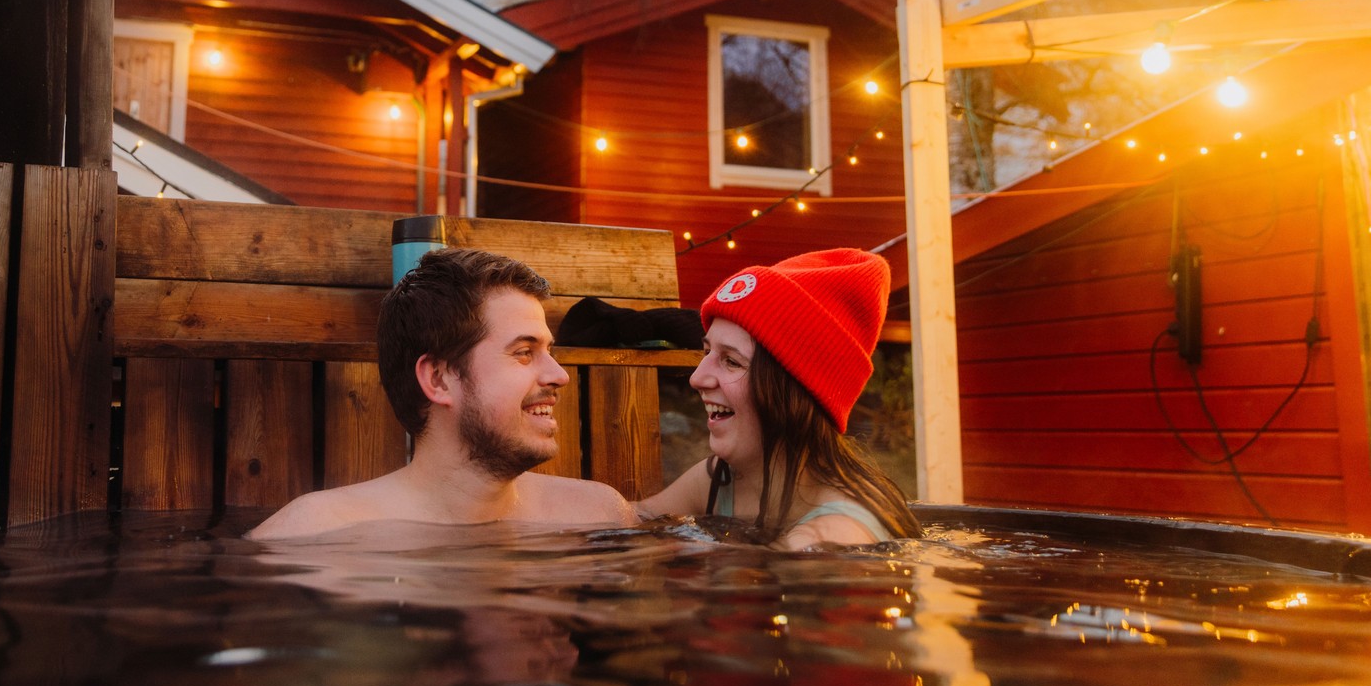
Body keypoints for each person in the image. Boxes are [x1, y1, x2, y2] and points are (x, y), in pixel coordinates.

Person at [251, 248, 636, 539]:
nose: (558, 375)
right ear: (438, 379)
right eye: (523, 353)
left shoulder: (598, 515)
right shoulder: (311, 536)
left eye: (549, 352)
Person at [638, 248, 921, 548]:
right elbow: (633, 516)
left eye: (732, 361)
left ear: (793, 392)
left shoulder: (834, 535)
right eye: (707, 352)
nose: (696, 378)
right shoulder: (721, 482)